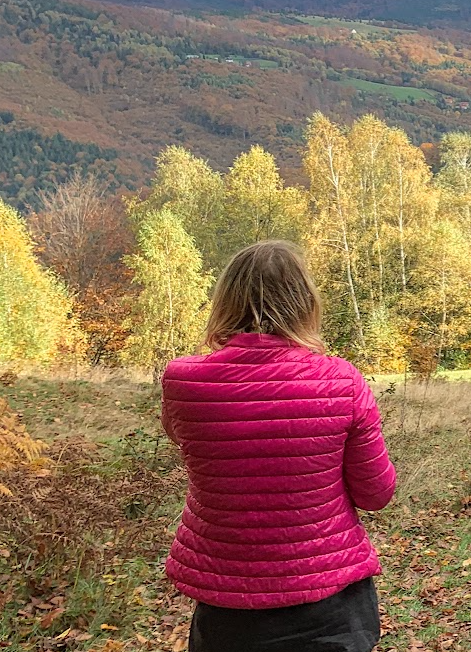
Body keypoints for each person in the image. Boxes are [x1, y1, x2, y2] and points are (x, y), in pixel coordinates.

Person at [161, 241, 396, 652]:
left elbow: (182, 439)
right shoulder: (341, 381)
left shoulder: (184, 381)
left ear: (225, 300)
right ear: (305, 302)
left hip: (226, 605)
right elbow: (376, 494)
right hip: (329, 604)